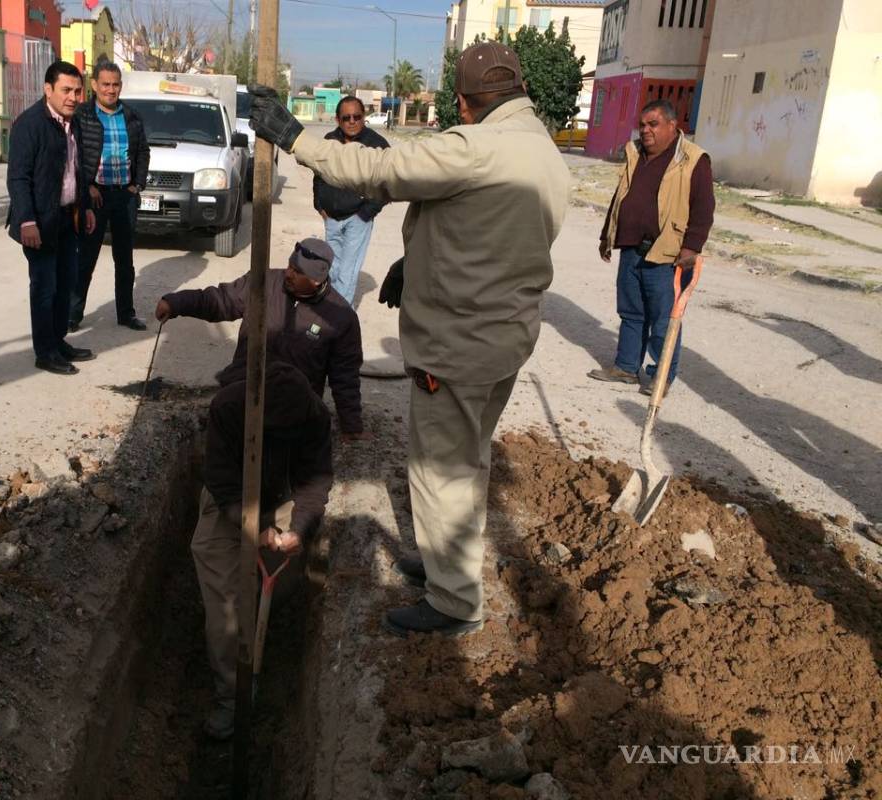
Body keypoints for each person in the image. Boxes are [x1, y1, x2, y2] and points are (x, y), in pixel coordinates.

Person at [249, 41, 569, 636]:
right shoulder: (544, 151)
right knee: (467, 461)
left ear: (467, 102)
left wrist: (294, 137)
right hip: (504, 337)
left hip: (458, 342)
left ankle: (454, 602)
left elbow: (378, 171)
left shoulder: (476, 147)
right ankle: (449, 563)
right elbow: (492, 234)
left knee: (441, 468)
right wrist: (415, 262)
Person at [191, 361, 334, 739]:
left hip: (279, 495)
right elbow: (220, 481)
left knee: (282, 585)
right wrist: (253, 526)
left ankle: (269, 658)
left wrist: (298, 530)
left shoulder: (314, 416)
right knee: (225, 608)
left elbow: (314, 485)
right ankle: (232, 695)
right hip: (228, 502)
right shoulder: (228, 406)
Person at [155, 237, 367, 439]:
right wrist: (176, 303)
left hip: (294, 408)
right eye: (289, 266)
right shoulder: (264, 283)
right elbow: (221, 300)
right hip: (243, 389)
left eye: (297, 271)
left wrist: (351, 425)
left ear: (315, 280)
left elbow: (345, 375)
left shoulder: (340, 317)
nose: (288, 273)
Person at [589, 99, 714, 396]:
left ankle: (661, 377)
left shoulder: (693, 159)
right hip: (632, 247)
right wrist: (608, 236)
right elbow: (621, 197)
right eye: (642, 125)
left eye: (653, 124)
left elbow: (704, 209)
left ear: (673, 126)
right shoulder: (634, 153)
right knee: (631, 313)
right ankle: (626, 367)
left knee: (663, 319)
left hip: (668, 254)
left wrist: (690, 248)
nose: (645, 130)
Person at [6, 61, 97, 375]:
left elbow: (77, 170)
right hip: (40, 223)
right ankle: (44, 352)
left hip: (68, 219)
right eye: (66, 90)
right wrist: (26, 220)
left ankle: (58, 342)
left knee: (65, 283)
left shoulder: (75, 122)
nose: (72, 97)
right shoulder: (29, 124)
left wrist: (84, 207)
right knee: (44, 288)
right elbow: (18, 178)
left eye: (77, 90)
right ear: (48, 89)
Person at [71, 61, 152, 332]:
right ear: (94, 85)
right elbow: (75, 155)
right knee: (86, 258)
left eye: (115, 84)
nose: (110, 89)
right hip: (95, 197)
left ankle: (126, 313)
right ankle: (73, 314)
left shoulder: (131, 116)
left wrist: (137, 184)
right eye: (105, 84)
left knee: (124, 261)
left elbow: (143, 152)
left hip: (124, 196)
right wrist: (88, 186)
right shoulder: (83, 116)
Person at [314, 96, 389, 305]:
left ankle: (339, 320)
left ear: (363, 117)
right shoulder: (329, 140)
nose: (352, 121)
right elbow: (318, 173)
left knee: (347, 272)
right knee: (334, 268)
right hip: (331, 218)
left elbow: (387, 184)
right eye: (346, 117)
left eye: (357, 116)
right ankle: (337, 312)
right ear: (338, 120)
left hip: (358, 219)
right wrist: (319, 205)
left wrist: (366, 213)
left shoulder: (377, 145)